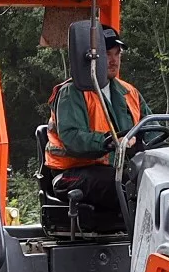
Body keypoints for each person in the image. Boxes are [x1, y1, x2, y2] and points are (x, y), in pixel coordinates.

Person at [45, 25, 150, 214]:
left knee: (157, 179)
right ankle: (140, 236)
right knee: (121, 184)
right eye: (107, 54)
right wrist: (108, 141)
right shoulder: (72, 93)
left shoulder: (129, 92)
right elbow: (73, 139)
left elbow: (151, 128)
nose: (113, 60)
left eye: (117, 54)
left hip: (115, 170)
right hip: (72, 173)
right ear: (91, 57)